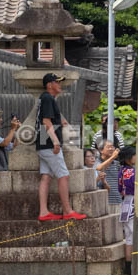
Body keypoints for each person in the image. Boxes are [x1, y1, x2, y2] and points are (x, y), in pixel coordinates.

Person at [36, 73, 86, 221]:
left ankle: (44, 212)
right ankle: (67, 211)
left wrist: (63, 122)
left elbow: (50, 118)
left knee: (46, 177)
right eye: (57, 82)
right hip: (49, 144)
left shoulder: (46, 98)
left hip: (42, 143)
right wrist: (56, 141)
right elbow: (46, 121)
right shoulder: (47, 98)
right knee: (63, 176)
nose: (60, 85)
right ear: (49, 85)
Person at [117, 147, 136, 275]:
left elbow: (119, 188)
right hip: (133, 203)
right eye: (134, 155)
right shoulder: (132, 172)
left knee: (129, 238)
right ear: (129, 158)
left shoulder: (121, 171)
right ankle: (137, 266)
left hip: (124, 204)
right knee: (137, 237)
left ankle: (128, 268)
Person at [97, 140, 122, 209]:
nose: (111, 149)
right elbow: (98, 168)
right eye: (108, 147)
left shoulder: (117, 164)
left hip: (117, 200)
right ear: (101, 150)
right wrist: (112, 157)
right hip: (103, 202)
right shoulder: (97, 161)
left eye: (112, 147)